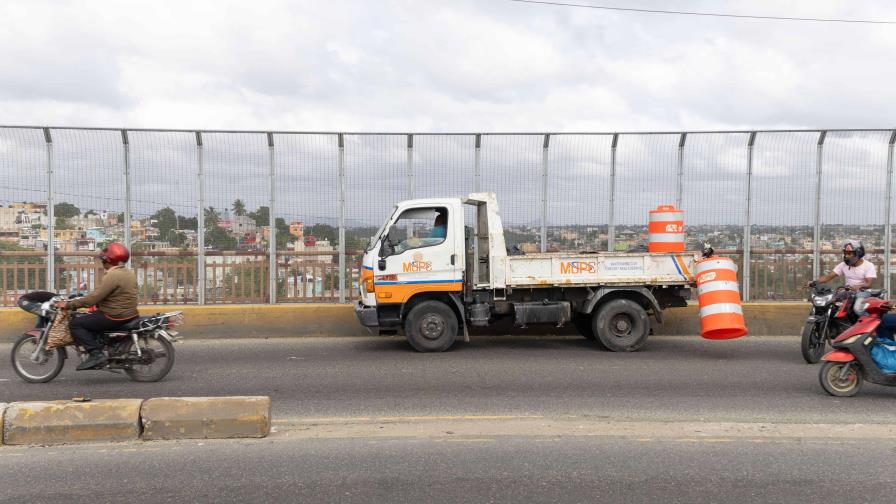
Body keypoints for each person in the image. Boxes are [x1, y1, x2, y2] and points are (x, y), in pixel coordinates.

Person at [56, 243, 139, 370]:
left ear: (109, 259)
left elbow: (94, 298)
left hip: (114, 315)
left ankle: (96, 354)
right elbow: (110, 295)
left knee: (76, 324)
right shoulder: (128, 273)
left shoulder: (113, 275)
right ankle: (103, 346)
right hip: (129, 313)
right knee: (91, 317)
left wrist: (70, 304)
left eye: (103, 258)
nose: (102, 261)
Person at [806, 240, 876, 291]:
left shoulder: (868, 266)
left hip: (863, 293)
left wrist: (858, 286)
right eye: (845, 253)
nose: (846, 256)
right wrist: (814, 283)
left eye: (849, 254)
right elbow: (829, 276)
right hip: (848, 292)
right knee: (831, 303)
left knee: (856, 308)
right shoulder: (843, 265)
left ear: (858, 254)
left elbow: (868, 284)